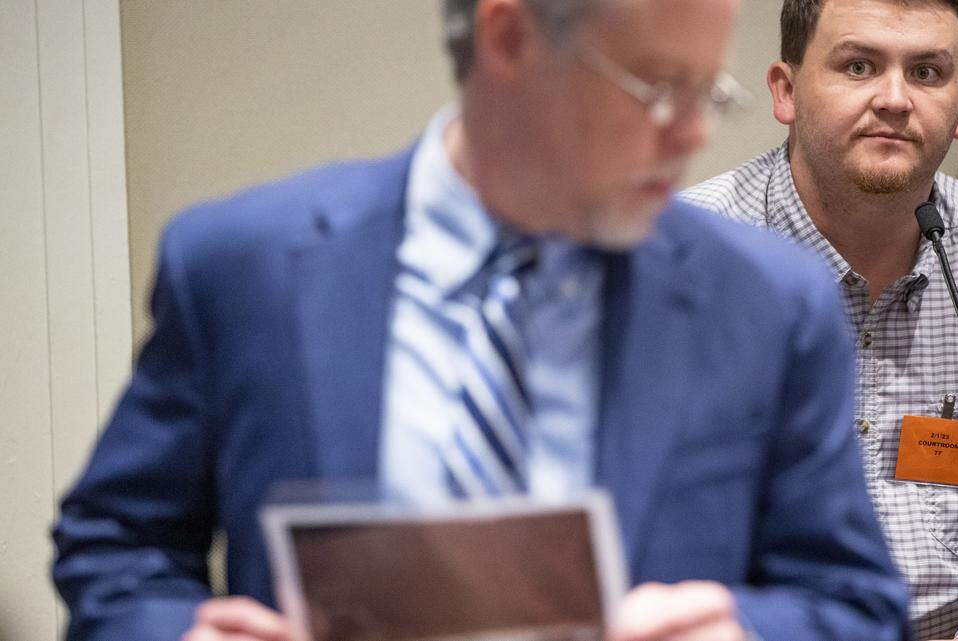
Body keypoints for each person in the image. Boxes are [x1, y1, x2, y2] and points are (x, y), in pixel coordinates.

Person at [51, 1, 909, 640]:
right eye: (657, 90)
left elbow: (856, 602)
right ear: (507, 37)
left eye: (708, 93)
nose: (691, 136)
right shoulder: (243, 266)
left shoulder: (769, 302)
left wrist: (743, 633)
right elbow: (116, 547)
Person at [684, 0, 958, 639]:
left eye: (927, 73)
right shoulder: (671, 267)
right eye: (859, 65)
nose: (895, 99)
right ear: (785, 91)